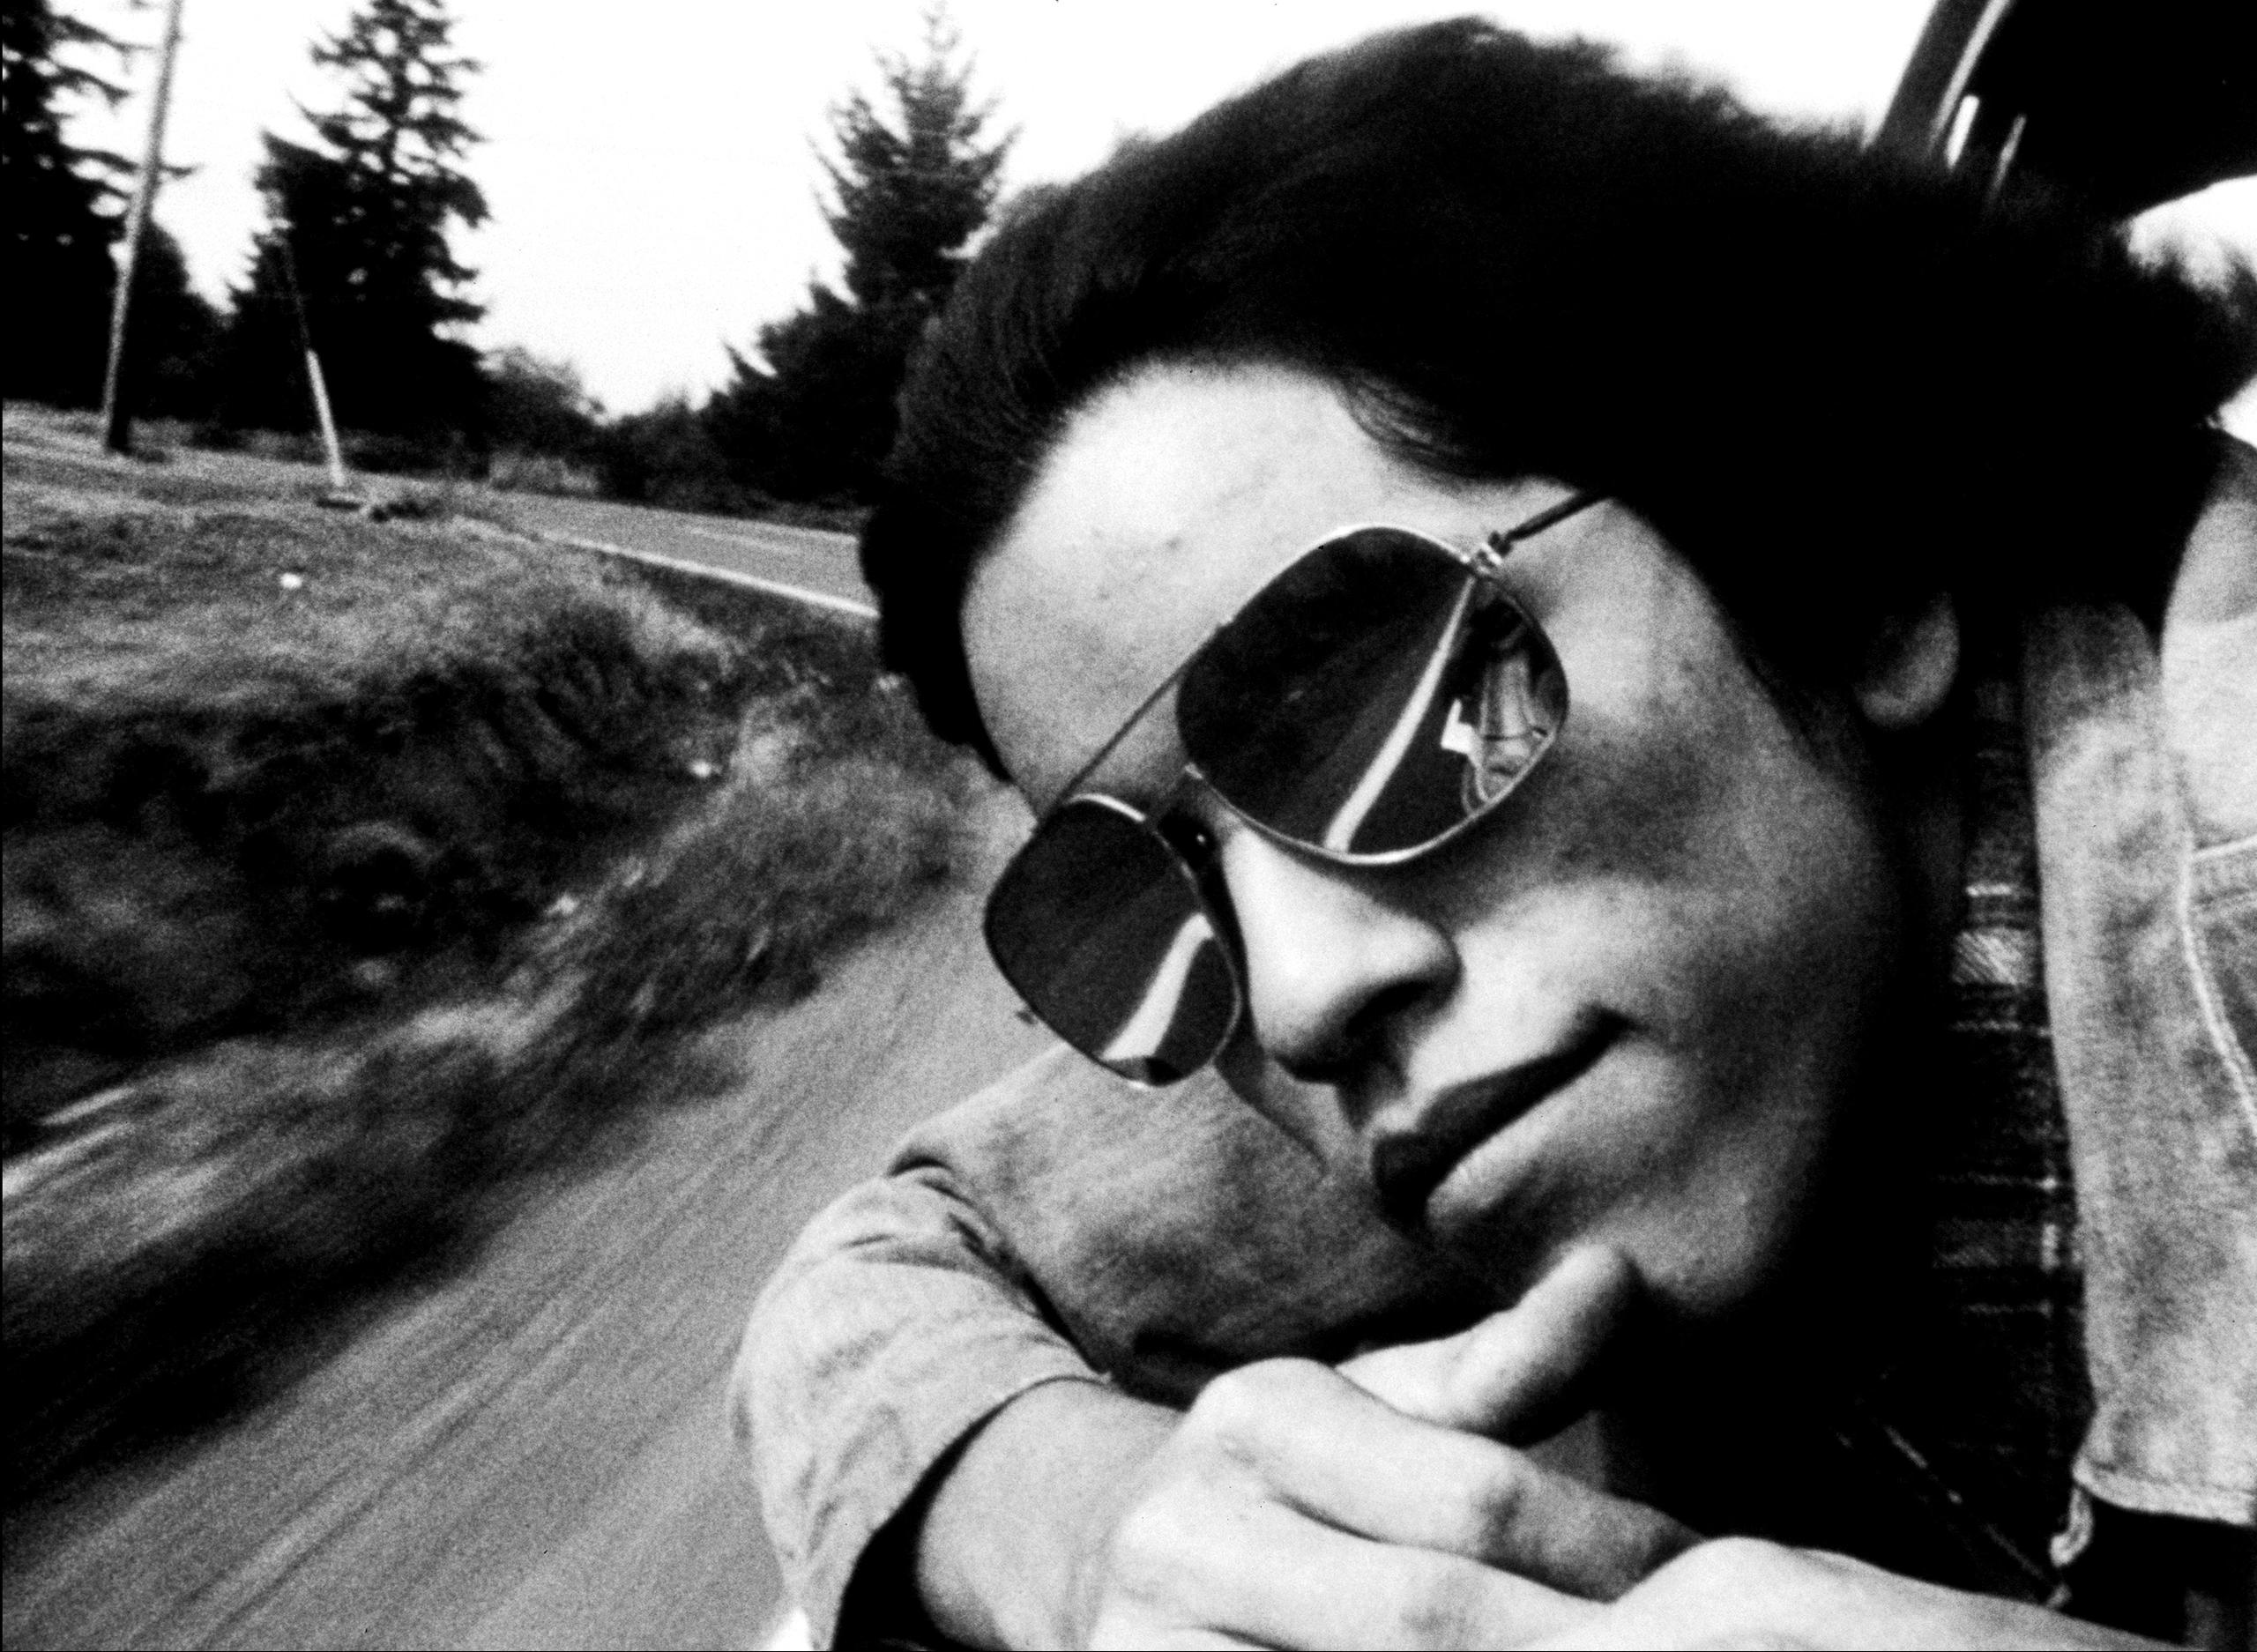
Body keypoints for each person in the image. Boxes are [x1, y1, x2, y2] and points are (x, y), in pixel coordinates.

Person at [734, 20, 2257, 1648]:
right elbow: (875, 1276)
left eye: (1383, 706)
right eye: (1137, 889)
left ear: (1848, 561)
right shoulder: (1514, 1037)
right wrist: (1098, 1527)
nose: (1301, 998)